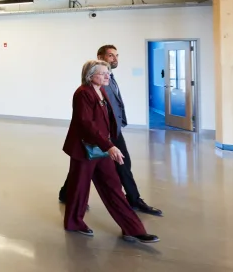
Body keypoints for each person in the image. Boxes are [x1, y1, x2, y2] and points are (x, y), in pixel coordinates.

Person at [59, 45, 163, 217]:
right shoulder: (94, 83)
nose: (115, 59)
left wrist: (120, 121)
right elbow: (87, 117)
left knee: (118, 164)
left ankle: (133, 199)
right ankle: (133, 200)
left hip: (113, 129)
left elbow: (115, 102)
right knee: (87, 166)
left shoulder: (110, 77)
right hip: (102, 132)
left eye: (116, 55)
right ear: (100, 57)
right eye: (110, 55)